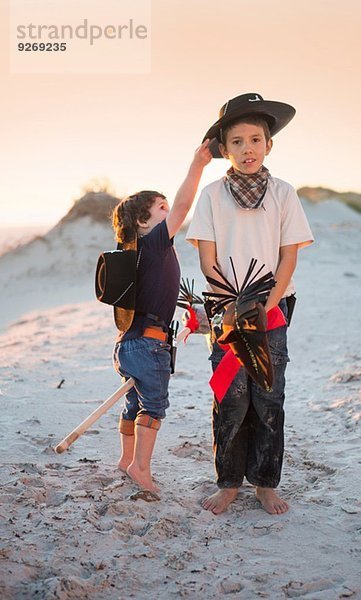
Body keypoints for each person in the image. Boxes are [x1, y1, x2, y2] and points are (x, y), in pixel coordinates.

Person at [186, 93, 314, 514]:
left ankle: (264, 482)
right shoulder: (211, 196)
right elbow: (208, 258)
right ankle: (228, 482)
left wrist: (267, 305)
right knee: (231, 396)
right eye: (237, 141)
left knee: (268, 395)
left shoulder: (283, 193)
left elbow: (288, 255)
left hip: (272, 306)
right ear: (225, 149)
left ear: (269, 145)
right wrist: (232, 305)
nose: (247, 149)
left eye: (255, 140)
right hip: (226, 309)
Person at [112, 139, 212, 497]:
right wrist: (198, 165)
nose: (170, 213)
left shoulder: (132, 253)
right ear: (143, 220)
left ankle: (126, 460)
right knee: (153, 406)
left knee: (134, 403)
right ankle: (141, 467)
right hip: (150, 344)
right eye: (161, 208)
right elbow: (185, 205)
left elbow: (155, 292)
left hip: (127, 344)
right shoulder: (153, 242)